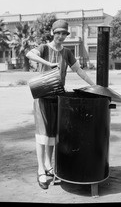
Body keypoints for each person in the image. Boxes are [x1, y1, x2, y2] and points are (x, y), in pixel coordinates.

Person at [26, 19, 95, 189]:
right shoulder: (43, 48)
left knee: (52, 135)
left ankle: (49, 166)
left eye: (64, 33)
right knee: (42, 135)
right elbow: (29, 54)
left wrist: (94, 86)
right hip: (42, 97)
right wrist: (48, 64)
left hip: (58, 97)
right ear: (53, 33)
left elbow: (78, 70)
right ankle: (41, 170)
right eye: (58, 33)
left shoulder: (67, 52)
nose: (61, 36)